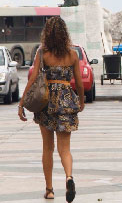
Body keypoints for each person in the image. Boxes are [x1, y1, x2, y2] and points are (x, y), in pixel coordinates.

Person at [18, 17, 85, 202]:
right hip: (66, 101)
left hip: (47, 102)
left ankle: (49, 190)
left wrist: (22, 101)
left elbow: (32, 79)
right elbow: (79, 82)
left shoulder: (43, 53)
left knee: (47, 148)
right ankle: (69, 177)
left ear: (47, 33)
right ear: (64, 33)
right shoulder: (72, 54)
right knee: (65, 149)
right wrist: (81, 100)